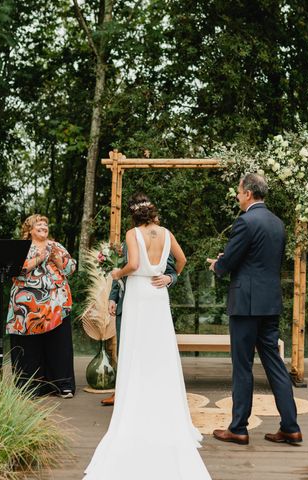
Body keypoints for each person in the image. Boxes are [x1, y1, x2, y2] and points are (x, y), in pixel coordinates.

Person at [84, 194, 211, 480]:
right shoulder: (166, 233)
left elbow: (133, 263)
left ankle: (137, 405)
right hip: (158, 293)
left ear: (134, 217)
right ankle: (163, 407)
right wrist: (170, 277)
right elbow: (182, 260)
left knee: (136, 350)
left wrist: (117, 273)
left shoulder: (132, 233)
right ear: (153, 214)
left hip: (139, 294)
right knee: (160, 351)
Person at [207, 173, 302, 446]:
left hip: (246, 304)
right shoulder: (278, 223)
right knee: (275, 364)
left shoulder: (245, 221)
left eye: (239, 191)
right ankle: (291, 426)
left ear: (248, 193)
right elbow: (261, 260)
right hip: (270, 303)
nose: (237, 196)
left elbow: (231, 262)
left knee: (243, 366)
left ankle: (238, 428)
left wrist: (218, 264)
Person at [6, 214, 77, 398]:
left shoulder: (56, 246)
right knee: (30, 347)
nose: (44, 226)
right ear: (29, 229)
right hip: (27, 306)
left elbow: (71, 269)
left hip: (55, 304)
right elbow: (15, 270)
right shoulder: (21, 248)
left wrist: (57, 259)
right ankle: (30, 387)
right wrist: (39, 259)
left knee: (58, 344)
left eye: (46, 224)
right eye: (39, 224)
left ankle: (62, 385)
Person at [100, 246, 179, 407]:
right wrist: (113, 298)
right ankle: (121, 392)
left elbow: (173, 269)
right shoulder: (128, 241)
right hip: (125, 303)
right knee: (125, 350)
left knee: (150, 350)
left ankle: (150, 393)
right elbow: (121, 270)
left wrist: (170, 278)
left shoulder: (162, 240)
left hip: (150, 303)